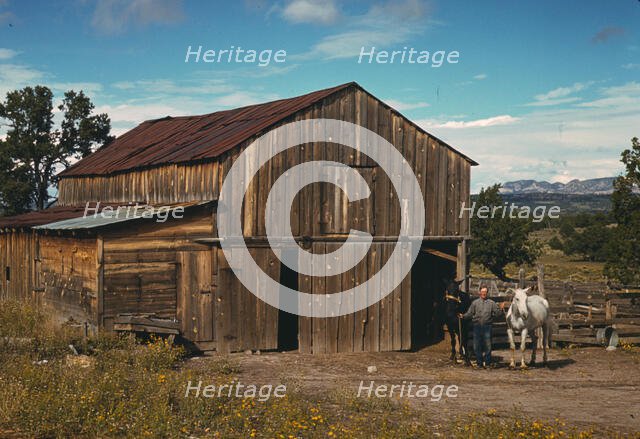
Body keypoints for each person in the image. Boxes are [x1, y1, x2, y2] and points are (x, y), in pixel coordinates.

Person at [459, 286, 505, 368]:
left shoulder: (491, 303)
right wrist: (463, 316)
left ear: (487, 293)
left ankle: (487, 363)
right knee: (476, 345)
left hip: (487, 326)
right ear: (479, 292)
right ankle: (479, 363)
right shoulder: (475, 303)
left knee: (488, 345)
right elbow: (470, 313)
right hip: (477, 326)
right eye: (482, 291)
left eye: (485, 292)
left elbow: (498, 314)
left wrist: (501, 309)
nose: (484, 293)